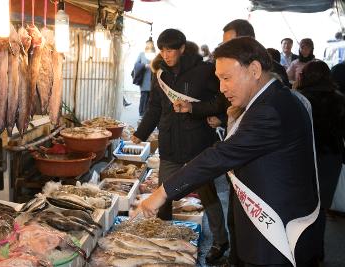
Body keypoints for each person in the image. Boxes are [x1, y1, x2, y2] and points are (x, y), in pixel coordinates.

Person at [133, 37, 323, 267]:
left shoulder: (270, 110)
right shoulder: (272, 99)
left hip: (276, 240)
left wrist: (162, 193)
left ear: (254, 70)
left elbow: (221, 155)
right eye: (219, 79)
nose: (222, 88)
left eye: (226, 78)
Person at [131, 29, 229, 263]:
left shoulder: (204, 70)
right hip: (170, 144)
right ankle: (164, 240)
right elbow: (154, 107)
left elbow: (221, 100)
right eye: (162, 50)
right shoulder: (160, 74)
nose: (166, 54)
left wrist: (196, 109)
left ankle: (220, 240)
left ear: (182, 48)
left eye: (171, 49)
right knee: (163, 193)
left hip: (198, 144)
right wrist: (140, 133)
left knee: (208, 196)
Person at [296, 60, 345, 260]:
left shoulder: (298, 99)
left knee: (303, 207)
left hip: (304, 158)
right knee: (321, 207)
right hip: (331, 158)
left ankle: (302, 251)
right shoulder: (340, 99)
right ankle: (318, 252)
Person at [134, 38, 156, 116]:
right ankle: (141, 113)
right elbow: (136, 64)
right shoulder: (142, 54)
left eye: (151, 45)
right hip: (144, 79)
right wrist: (145, 65)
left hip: (153, 79)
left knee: (151, 98)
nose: (150, 46)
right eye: (148, 45)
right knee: (144, 96)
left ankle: (148, 114)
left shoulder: (156, 54)